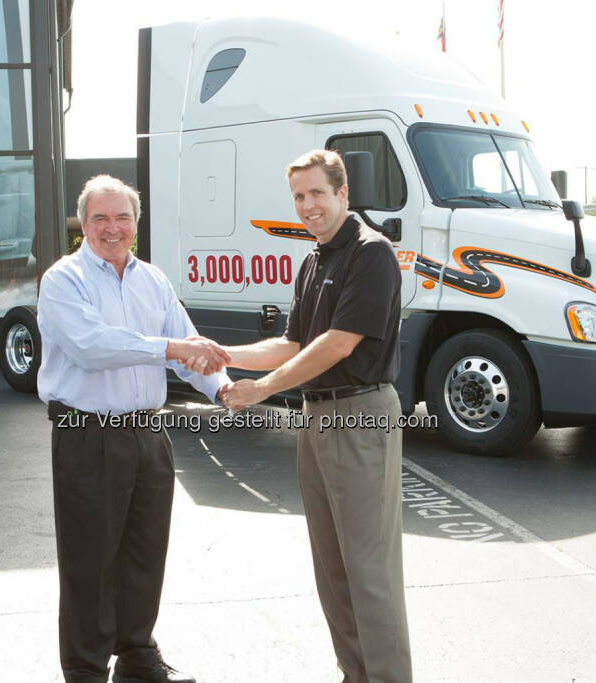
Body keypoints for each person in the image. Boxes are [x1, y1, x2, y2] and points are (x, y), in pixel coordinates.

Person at [220, 150, 411, 683]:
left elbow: (338, 344)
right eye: (299, 196)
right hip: (316, 419)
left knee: (370, 573)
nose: (308, 206)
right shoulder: (314, 260)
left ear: (343, 194)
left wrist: (263, 390)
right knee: (333, 571)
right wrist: (221, 353)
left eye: (317, 194)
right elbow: (293, 343)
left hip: (360, 416)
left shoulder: (371, 253)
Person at [37, 174, 231, 683]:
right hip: (88, 434)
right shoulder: (64, 280)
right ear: (82, 224)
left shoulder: (153, 280)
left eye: (122, 217)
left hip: (149, 434)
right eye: (100, 217)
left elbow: (188, 344)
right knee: (90, 561)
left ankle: (138, 657)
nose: (112, 227)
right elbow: (92, 346)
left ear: (136, 224)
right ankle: (85, 670)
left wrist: (224, 390)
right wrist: (167, 349)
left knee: (145, 552)